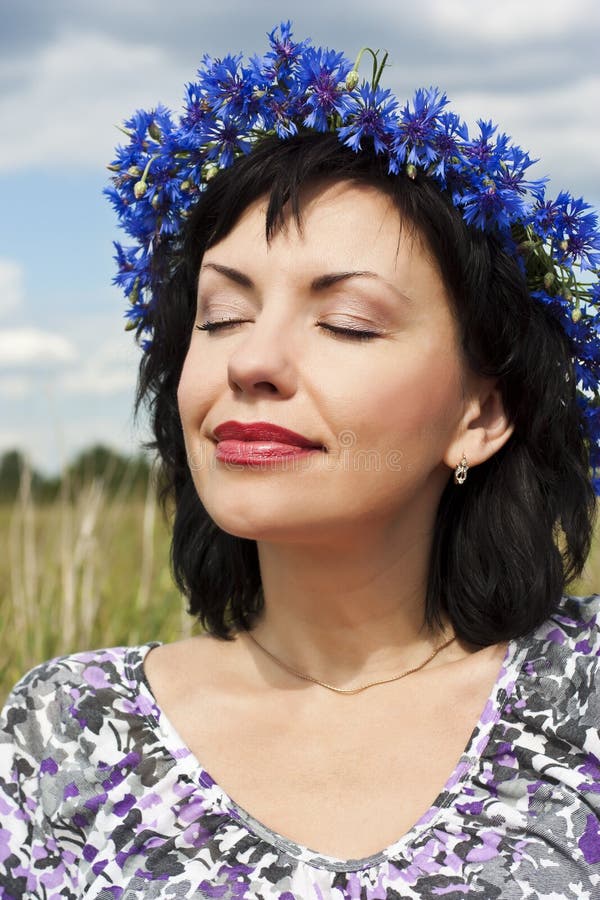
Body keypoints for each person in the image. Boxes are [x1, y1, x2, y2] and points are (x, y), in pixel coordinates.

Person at [1, 21, 600, 899]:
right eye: (220, 316)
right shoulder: (68, 731)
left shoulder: (581, 696)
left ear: (481, 415)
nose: (251, 362)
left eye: (346, 322)